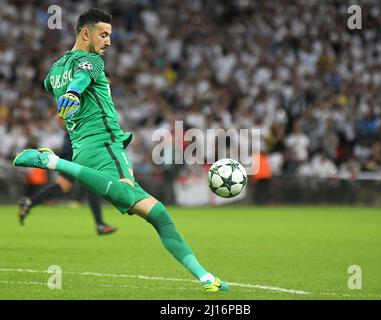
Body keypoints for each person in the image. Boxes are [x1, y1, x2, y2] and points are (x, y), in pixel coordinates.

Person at [13, 8, 228, 292]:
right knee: (132, 196)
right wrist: (74, 91)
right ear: (85, 34)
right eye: (104, 34)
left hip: (82, 150)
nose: (108, 42)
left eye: (110, 35)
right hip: (105, 146)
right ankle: (52, 162)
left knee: (159, 215)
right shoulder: (92, 61)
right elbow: (82, 79)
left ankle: (205, 277)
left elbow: (48, 84)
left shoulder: (55, 69)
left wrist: (67, 91)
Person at [18, 128, 118, 236]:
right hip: (76, 146)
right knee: (90, 184)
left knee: (64, 185)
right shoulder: (76, 116)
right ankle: (100, 225)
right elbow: (60, 118)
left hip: (74, 145)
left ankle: (30, 202)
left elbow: (60, 119)